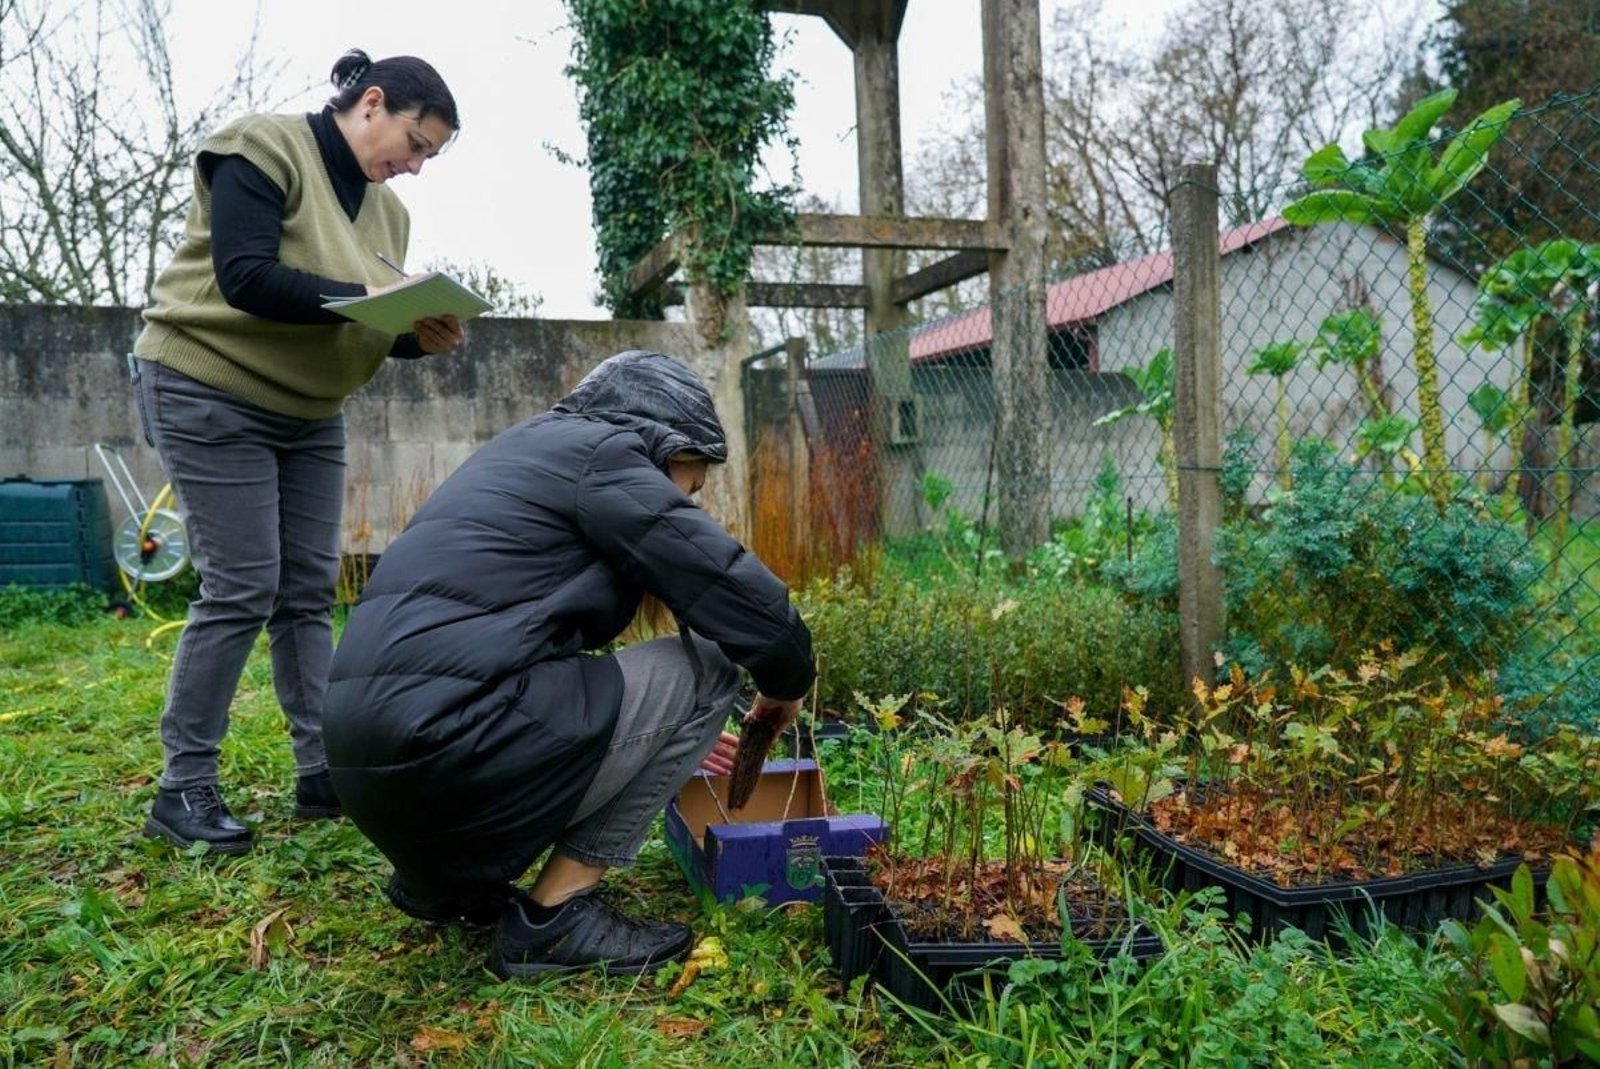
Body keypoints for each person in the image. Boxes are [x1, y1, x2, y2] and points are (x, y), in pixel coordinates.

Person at [323, 350, 815, 976]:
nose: (691, 505)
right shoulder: (604, 455)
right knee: (709, 669)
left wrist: (650, 730)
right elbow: (739, 594)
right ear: (664, 442)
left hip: (370, 772)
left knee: (646, 684)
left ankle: (445, 886)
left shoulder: (521, 455)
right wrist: (786, 683)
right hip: (449, 751)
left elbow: (502, 645)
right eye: (689, 488)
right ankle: (557, 917)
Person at [135, 49, 466, 855]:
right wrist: (371, 301)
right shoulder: (264, 148)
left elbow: (358, 324)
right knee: (244, 583)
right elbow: (247, 278)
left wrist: (417, 336)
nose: (415, 167)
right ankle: (183, 788)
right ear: (373, 104)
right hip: (208, 385)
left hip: (310, 412)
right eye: (416, 142)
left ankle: (323, 772)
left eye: (429, 156)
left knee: (309, 590)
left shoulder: (388, 215)